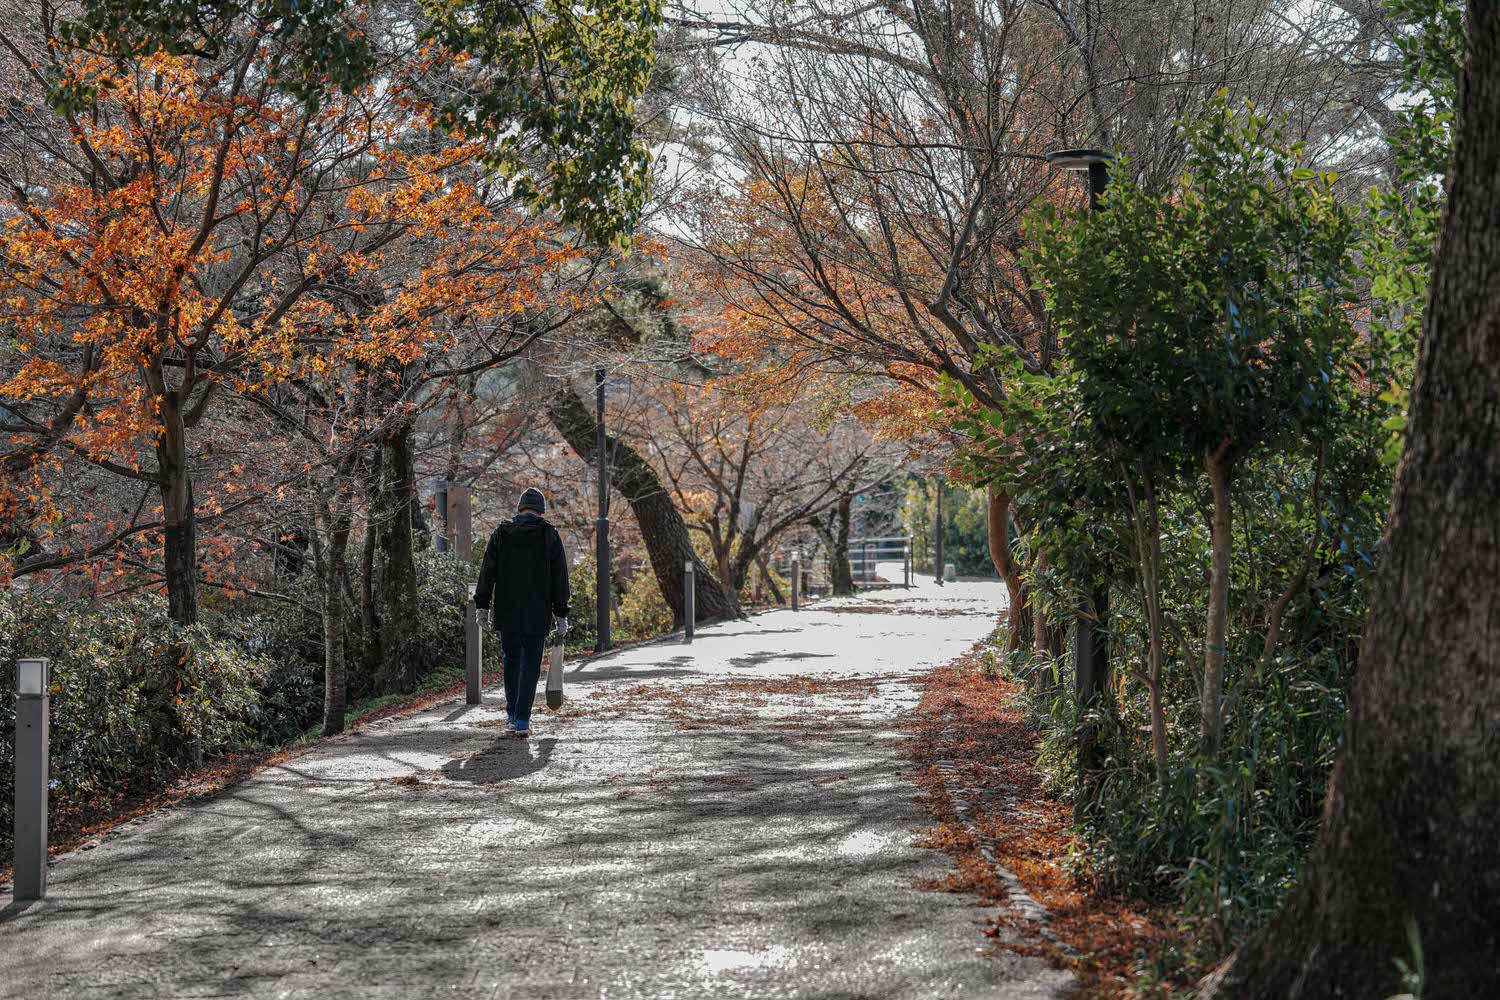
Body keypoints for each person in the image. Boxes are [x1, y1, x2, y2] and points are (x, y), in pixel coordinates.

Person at [473, 487, 569, 737]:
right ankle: (523, 720)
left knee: (511, 661)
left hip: (507, 609)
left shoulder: (502, 533)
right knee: (531, 665)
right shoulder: (549, 535)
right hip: (538, 611)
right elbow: (560, 577)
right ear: (541, 511)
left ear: (520, 509)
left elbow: (487, 572)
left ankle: (511, 714)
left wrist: (482, 605)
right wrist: (561, 613)